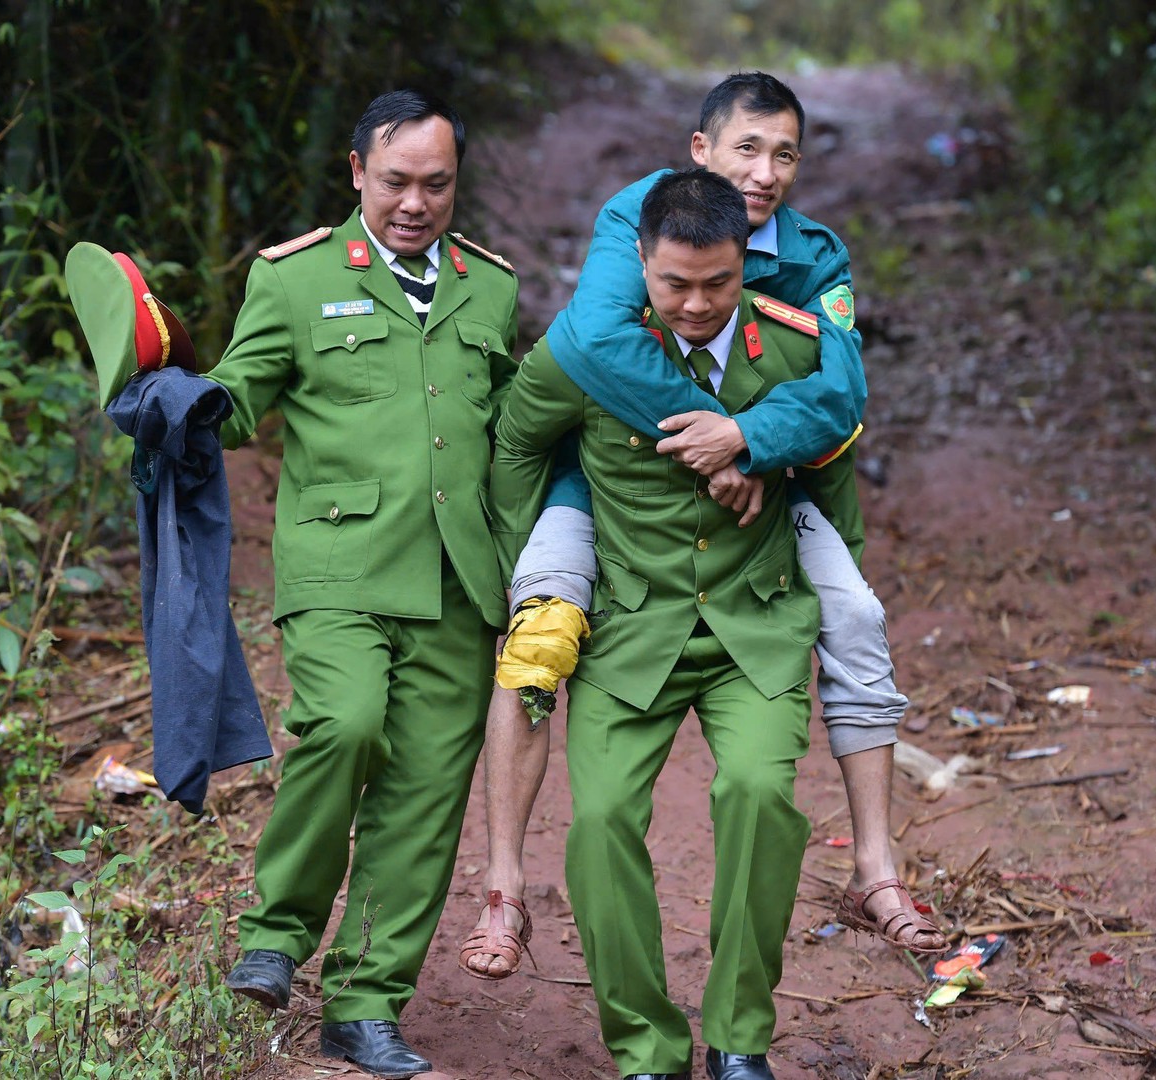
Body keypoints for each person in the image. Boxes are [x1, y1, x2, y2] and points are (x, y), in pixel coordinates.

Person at [460, 72, 942, 982]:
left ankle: (875, 868)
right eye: (746, 149)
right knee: (537, 637)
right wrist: (708, 445)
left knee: (854, 616)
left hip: (764, 480)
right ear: (701, 152)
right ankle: (504, 887)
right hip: (609, 478)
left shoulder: (812, 253)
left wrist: (749, 442)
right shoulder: (638, 214)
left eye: (784, 153)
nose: (764, 172)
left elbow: (840, 395)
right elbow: (597, 345)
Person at [492, 167, 861, 1080]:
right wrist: (534, 572)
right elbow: (513, 441)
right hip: (631, 629)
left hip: (756, 627)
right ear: (639, 265)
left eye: (718, 284)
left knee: (756, 798)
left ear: (747, 265)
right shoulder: (589, 350)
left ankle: (739, 1039)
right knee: (600, 823)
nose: (697, 306)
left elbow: (835, 480)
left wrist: (765, 461)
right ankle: (646, 1049)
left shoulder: (794, 346)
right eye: (674, 284)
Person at [205, 89, 519, 1080]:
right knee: (342, 724)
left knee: (425, 796)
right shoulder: (294, 280)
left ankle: (366, 1003)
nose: (415, 202)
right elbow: (241, 392)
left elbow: (513, 430)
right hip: (339, 565)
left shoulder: (490, 288)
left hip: (459, 579)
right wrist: (182, 399)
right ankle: (274, 933)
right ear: (356, 174)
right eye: (395, 181)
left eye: (436, 183)